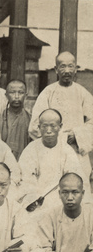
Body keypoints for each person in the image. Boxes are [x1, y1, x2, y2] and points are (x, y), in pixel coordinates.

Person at [29, 52, 93, 180]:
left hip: (76, 150)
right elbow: (34, 126)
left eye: (71, 66)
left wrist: (77, 134)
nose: (67, 70)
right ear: (56, 69)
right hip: (52, 150)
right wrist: (57, 138)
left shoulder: (82, 93)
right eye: (63, 66)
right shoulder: (47, 92)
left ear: (76, 69)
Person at [36, 173, 93, 252]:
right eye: (65, 192)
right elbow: (45, 249)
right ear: (59, 194)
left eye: (75, 192)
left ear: (83, 194)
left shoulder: (91, 214)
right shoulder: (50, 216)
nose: (70, 197)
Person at [19, 109, 86, 211]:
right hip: (35, 201)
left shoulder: (67, 151)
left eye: (53, 126)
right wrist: (35, 198)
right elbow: (26, 181)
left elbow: (74, 180)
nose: (49, 131)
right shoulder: (30, 150)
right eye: (44, 126)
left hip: (60, 200)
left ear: (60, 126)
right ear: (38, 127)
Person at [0, 79, 31, 159]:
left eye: (20, 92)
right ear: (6, 95)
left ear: (26, 95)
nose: (16, 96)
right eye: (12, 92)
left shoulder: (30, 119)